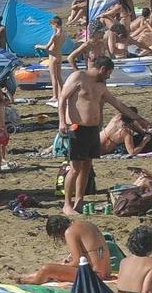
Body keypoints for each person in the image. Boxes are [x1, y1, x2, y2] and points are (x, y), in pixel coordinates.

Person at [59, 56, 144, 215]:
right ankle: (67, 204)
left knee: (87, 167)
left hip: (92, 130)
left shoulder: (101, 86)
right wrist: (62, 122)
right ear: (103, 69)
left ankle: (79, 200)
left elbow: (117, 104)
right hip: (77, 128)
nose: (109, 77)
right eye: (108, 73)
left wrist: (139, 119)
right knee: (75, 169)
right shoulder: (78, 77)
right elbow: (63, 98)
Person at [17, 216, 111, 285]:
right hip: (106, 272)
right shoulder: (87, 224)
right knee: (58, 265)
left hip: (95, 276)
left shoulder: (69, 232)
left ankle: (28, 280)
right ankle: (26, 276)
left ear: (58, 232)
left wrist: (63, 265)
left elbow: (77, 262)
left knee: (47, 268)